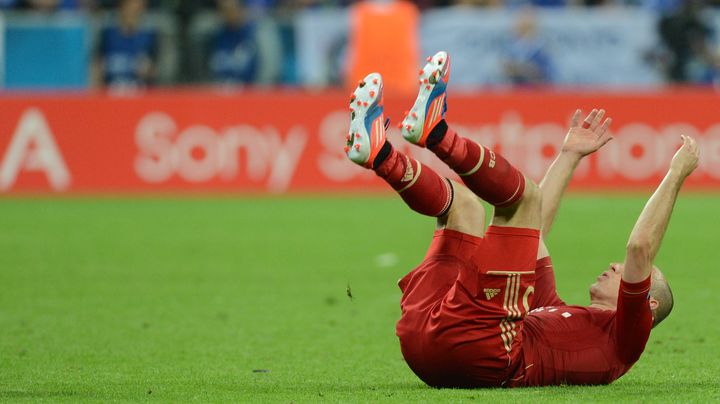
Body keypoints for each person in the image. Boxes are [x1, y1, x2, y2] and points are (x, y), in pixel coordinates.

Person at [344, 51, 699, 387]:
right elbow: (532, 233)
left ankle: (437, 135)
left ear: (647, 304)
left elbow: (640, 248)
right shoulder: (554, 310)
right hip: (426, 343)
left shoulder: (626, 338)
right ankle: (380, 155)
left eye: (631, 275)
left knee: (523, 197)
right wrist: (569, 155)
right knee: (465, 207)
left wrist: (676, 174)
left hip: (480, 353)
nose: (615, 266)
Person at [92, 0, 158, 90]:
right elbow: (97, 66)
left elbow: (155, 71)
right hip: (110, 94)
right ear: (122, 8)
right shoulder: (108, 35)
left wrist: (148, 71)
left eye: (137, 10)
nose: (132, 13)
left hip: (140, 95)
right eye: (129, 7)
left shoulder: (149, 37)